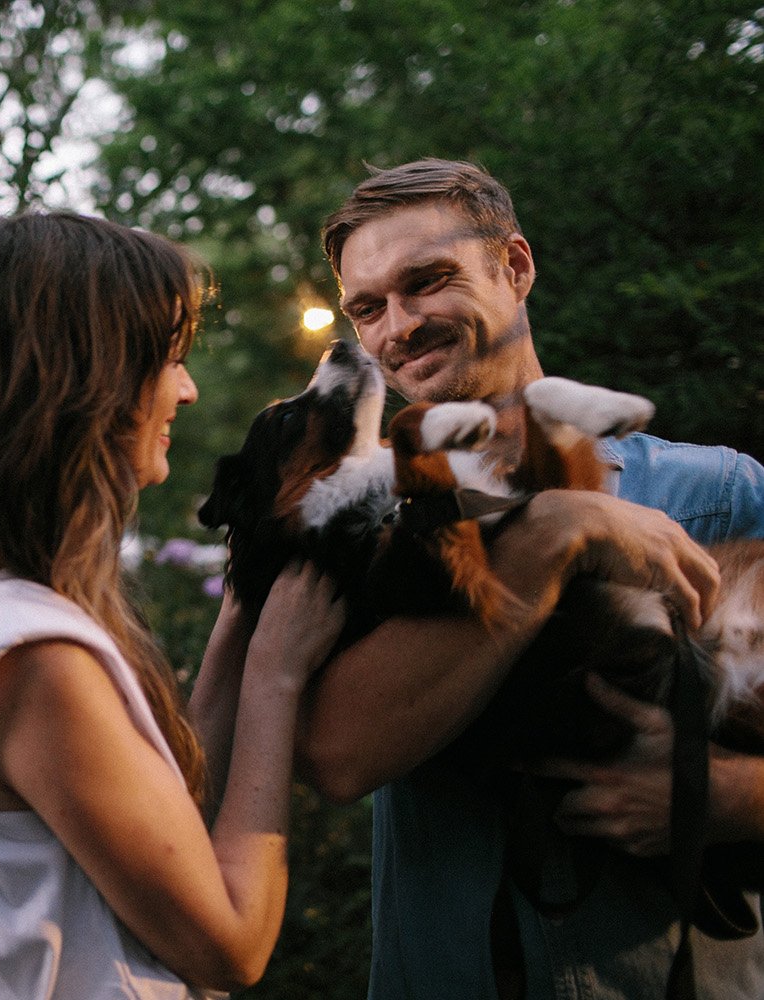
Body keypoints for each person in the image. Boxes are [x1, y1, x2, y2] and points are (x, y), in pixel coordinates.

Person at [301, 158, 764, 999]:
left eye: (427, 282)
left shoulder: (718, 494)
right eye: (367, 308)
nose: (397, 326)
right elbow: (336, 754)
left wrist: (727, 795)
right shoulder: (368, 529)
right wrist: (549, 537)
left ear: (514, 267)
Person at [0, 210, 348, 998]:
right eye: (170, 359)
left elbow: (162, 811)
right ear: (82, 384)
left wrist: (240, 618)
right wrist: (277, 673)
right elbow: (231, 945)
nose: (190, 389)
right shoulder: (35, 661)